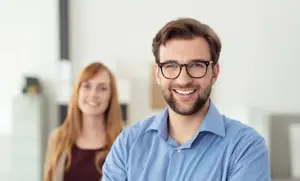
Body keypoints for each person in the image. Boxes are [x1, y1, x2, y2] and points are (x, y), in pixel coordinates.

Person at [102, 17, 271, 181]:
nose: (183, 80)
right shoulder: (128, 143)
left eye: (197, 65)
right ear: (158, 74)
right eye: (170, 66)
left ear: (215, 72)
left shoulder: (245, 147)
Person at [43, 62, 124, 181]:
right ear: (77, 92)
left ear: (111, 96)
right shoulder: (58, 138)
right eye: (87, 86)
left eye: (102, 88)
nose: (93, 94)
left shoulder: (124, 141)